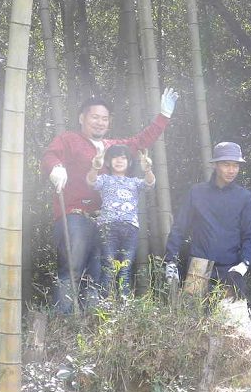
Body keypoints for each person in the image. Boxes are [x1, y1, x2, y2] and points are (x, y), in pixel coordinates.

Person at [42, 89, 178, 313]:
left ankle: (93, 324)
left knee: (99, 271)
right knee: (72, 268)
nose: (99, 122)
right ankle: (63, 323)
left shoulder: (112, 148)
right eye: (94, 117)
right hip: (74, 215)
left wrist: (163, 116)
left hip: (105, 222)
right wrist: (55, 167)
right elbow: (50, 154)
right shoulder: (68, 139)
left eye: (104, 118)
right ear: (82, 118)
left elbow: (139, 141)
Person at [164, 141, 251, 297]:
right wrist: (170, 260)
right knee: (194, 317)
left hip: (231, 268)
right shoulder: (197, 192)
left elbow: (250, 234)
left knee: (234, 319)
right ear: (215, 165)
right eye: (226, 164)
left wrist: (244, 263)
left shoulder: (244, 197)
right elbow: (180, 227)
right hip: (198, 265)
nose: (231, 170)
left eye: (236, 165)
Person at [86, 144, 155, 297]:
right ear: (109, 162)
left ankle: (123, 304)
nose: (119, 161)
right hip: (107, 227)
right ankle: (105, 303)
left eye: (123, 157)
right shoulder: (104, 179)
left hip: (130, 228)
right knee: (108, 266)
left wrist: (147, 169)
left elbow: (150, 183)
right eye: (115, 157)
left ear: (129, 162)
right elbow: (91, 182)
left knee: (125, 267)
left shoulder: (134, 182)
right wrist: (95, 167)